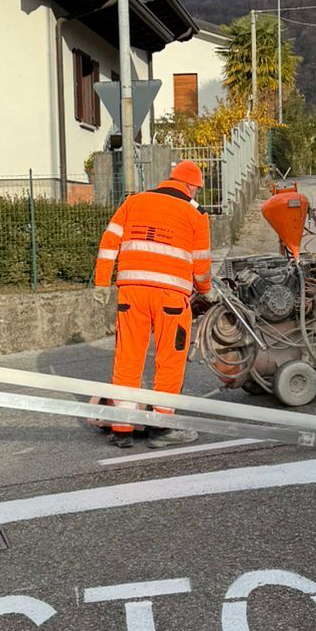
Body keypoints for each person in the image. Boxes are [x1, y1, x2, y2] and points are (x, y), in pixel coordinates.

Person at [94, 158, 213, 449]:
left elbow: (109, 243)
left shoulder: (134, 202)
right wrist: (205, 290)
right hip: (170, 298)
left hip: (131, 295)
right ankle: (162, 427)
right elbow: (201, 266)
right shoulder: (196, 214)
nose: (196, 194)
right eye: (196, 189)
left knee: (127, 359)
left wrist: (100, 283)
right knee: (169, 361)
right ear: (189, 186)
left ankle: (121, 428)